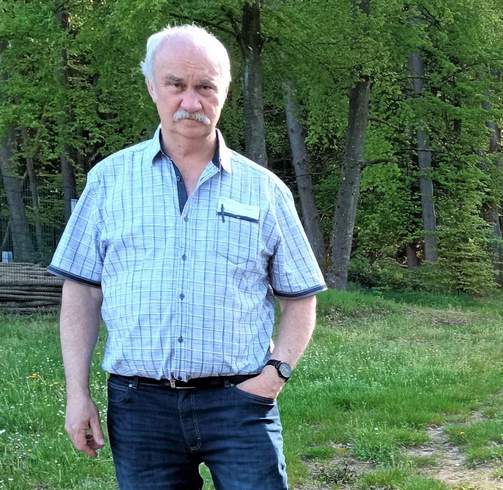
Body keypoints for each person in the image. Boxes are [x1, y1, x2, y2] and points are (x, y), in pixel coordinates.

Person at [48, 25, 326, 489]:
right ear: (152, 87)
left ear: (225, 92)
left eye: (205, 87)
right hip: (140, 410)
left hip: (240, 405)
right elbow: (81, 290)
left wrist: (275, 375)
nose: (191, 102)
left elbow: (301, 298)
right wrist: (77, 395)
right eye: (176, 84)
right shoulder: (108, 181)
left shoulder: (265, 190)